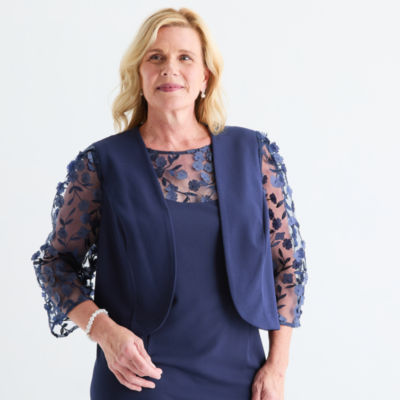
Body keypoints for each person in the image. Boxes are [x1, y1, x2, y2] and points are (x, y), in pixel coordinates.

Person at [31, 7, 308, 400]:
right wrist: (106, 334)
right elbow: (56, 264)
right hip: (137, 376)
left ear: (205, 77)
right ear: (139, 74)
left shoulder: (253, 154)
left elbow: (288, 266)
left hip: (241, 377)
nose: (169, 69)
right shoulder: (102, 164)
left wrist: (277, 368)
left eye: (185, 57)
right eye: (156, 57)